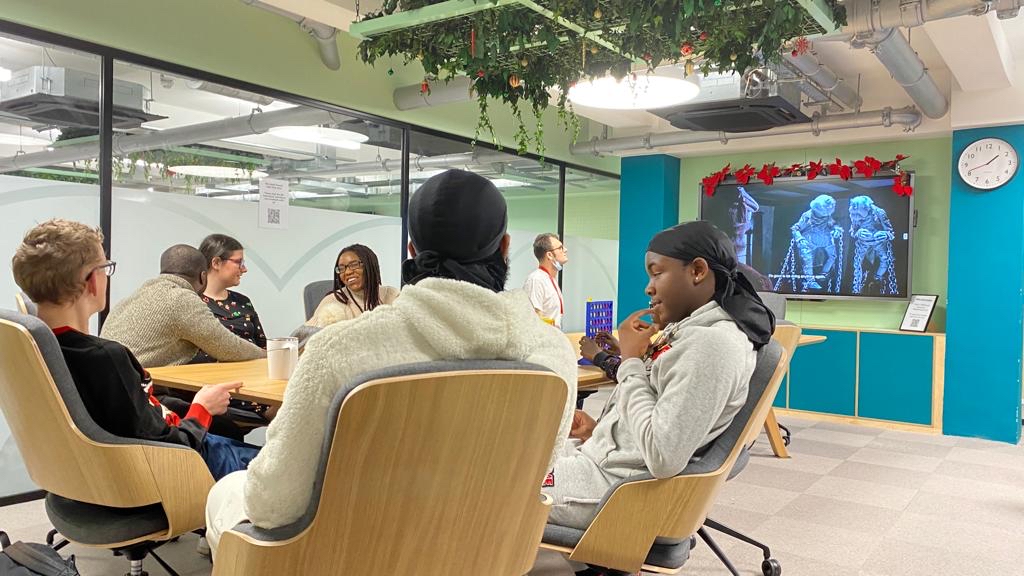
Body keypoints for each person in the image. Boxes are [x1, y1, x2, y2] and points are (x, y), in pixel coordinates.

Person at [204, 169, 578, 558]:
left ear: (413, 251)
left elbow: (274, 504)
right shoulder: (551, 355)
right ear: (504, 247)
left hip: (351, 559)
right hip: (483, 554)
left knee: (227, 492)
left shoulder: (340, 352)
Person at [543, 220, 775, 535]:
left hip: (617, 490)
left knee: (484, 485)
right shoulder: (693, 334)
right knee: (506, 456)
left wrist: (630, 361)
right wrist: (602, 432)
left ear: (697, 271)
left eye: (656, 272)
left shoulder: (712, 344)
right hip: (605, 466)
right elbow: (662, 419)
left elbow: (663, 455)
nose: (648, 287)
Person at [10, 219, 260, 480]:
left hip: (90, 478)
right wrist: (203, 408)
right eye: (105, 268)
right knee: (296, 474)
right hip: (173, 471)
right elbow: (174, 446)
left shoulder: (34, 350)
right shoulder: (106, 358)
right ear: (92, 282)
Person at [100, 245, 266, 368]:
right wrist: (267, 356)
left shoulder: (132, 298)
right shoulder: (182, 299)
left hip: (110, 393)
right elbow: (228, 347)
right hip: (140, 394)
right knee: (218, 413)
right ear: (203, 277)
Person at [193, 234, 266, 362]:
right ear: (216, 263)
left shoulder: (243, 302)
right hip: (211, 377)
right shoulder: (191, 302)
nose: (244, 269)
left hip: (251, 374)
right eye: (239, 262)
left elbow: (263, 348)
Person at [305, 243, 400, 328]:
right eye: (341, 268)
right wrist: (290, 347)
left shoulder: (392, 295)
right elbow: (303, 337)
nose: (348, 272)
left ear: (369, 265)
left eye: (354, 265)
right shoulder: (333, 301)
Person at [524, 232, 568, 328]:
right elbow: (533, 319)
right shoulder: (536, 280)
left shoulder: (550, 279)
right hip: (543, 341)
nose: (565, 250)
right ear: (549, 255)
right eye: (560, 248)